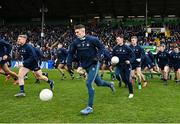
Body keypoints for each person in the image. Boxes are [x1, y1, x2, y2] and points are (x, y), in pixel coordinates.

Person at [67, 24, 115, 115]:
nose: (76, 34)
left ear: (83, 31)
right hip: (85, 65)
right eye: (75, 32)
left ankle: (90, 107)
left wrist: (98, 57)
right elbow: (70, 53)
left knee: (89, 83)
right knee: (99, 83)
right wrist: (69, 64)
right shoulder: (75, 42)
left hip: (94, 64)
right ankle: (110, 84)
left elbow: (102, 48)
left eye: (77, 32)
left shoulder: (93, 39)